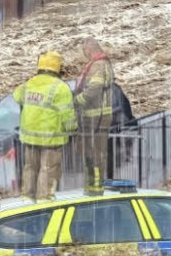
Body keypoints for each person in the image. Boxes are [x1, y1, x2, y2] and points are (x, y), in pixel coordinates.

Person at [12, 51, 76, 200]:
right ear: (57, 68)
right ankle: (44, 199)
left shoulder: (30, 83)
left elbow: (16, 96)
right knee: (48, 169)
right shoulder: (61, 88)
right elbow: (67, 115)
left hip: (30, 137)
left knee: (30, 167)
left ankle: (27, 198)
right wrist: (72, 129)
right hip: (51, 138)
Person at [73, 38, 115, 195]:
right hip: (97, 117)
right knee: (93, 154)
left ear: (89, 50)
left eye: (85, 51)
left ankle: (95, 190)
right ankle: (93, 188)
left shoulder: (97, 66)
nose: (84, 55)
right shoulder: (103, 64)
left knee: (95, 155)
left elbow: (94, 89)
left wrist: (77, 100)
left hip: (96, 118)